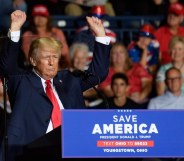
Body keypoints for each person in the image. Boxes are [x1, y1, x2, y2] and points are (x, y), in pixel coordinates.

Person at [0, 10, 110, 161]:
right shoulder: (22, 81)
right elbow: (7, 66)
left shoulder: (69, 80)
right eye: (46, 57)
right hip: (32, 151)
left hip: (72, 149)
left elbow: (98, 74)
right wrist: (15, 30)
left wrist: (100, 35)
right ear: (33, 60)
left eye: (55, 57)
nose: (52, 62)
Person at [21, 4, 70, 69]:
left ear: (47, 18)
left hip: (57, 68)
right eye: (37, 16)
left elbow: (65, 53)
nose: (40, 18)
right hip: (35, 69)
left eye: (43, 16)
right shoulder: (28, 35)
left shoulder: (57, 32)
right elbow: (29, 57)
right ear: (32, 18)